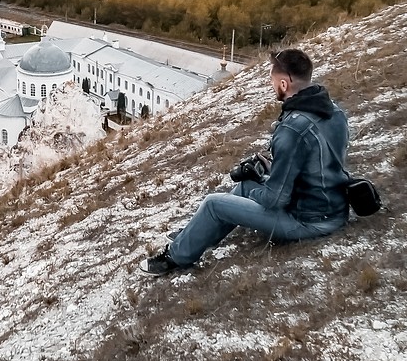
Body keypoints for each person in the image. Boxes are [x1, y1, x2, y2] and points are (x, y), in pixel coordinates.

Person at [140, 48, 350, 276]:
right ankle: (196, 235)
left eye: (272, 81)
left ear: (283, 84)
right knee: (244, 187)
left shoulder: (291, 128)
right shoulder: (335, 111)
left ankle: (176, 256)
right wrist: (264, 176)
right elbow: (317, 161)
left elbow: (275, 199)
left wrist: (258, 181)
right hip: (334, 206)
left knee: (214, 203)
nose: (272, 87)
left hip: (309, 220)